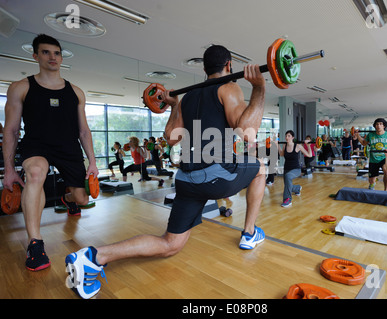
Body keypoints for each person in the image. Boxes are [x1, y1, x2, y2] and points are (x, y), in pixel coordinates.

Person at [65, 45, 267, 299]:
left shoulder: (190, 96)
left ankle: (94, 257)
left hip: (186, 179)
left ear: (204, 69)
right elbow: (248, 133)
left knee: (170, 244)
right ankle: (249, 233)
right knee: (261, 168)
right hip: (217, 176)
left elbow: (171, 137)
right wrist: (259, 88)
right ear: (229, 65)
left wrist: (174, 105)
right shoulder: (230, 87)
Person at [2, 34, 98, 271]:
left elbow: (84, 131)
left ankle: (67, 200)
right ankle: (35, 244)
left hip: (68, 148)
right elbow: (11, 131)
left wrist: (93, 163)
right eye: (45, 52)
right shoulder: (21, 87)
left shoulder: (76, 92)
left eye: (56, 53)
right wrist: (10, 170)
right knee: (36, 172)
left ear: (61, 57)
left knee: (82, 199)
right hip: (36, 145)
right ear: (35, 56)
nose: (52, 57)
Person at [354, 118, 387, 190]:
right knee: (371, 180)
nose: (379, 126)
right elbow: (364, 143)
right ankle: (372, 184)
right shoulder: (370, 135)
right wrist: (358, 135)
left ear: (384, 126)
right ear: (375, 126)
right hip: (373, 159)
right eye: (377, 124)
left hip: (384, 158)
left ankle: (386, 190)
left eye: (381, 124)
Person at [276, 130, 312, 207]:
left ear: (292, 137)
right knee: (288, 186)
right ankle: (297, 188)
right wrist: (277, 145)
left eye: (288, 136)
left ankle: (288, 200)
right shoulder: (285, 145)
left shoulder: (298, 146)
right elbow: (282, 154)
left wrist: (308, 145)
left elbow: (309, 155)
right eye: (286, 136)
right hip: (286, 169)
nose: (286, 137)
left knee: (288, 177)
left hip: (296, 169)